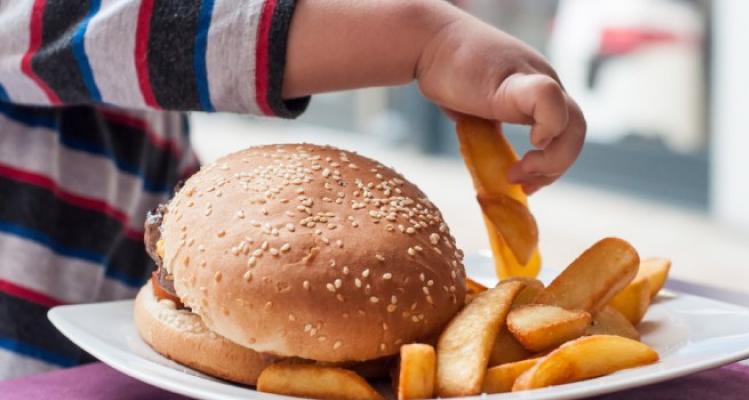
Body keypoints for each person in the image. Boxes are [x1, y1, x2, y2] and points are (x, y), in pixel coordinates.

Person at [0, 0, 585, 380]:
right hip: (28, 370)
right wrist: (424, 39)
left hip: (137, 357)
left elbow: (200, 222)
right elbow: (118, 31)